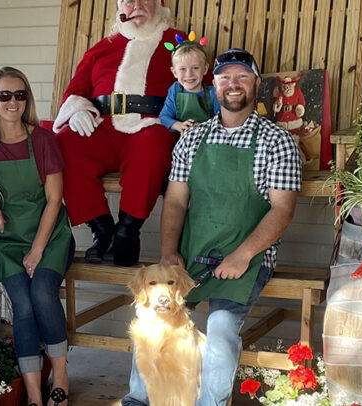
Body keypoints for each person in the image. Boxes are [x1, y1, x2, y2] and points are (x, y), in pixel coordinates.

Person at [122, 48, 302, 405]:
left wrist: (242, 255)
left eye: (242, 77)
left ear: (256, 84)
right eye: (225, 78)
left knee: (219, 331)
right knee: (155, 319)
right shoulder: (191, 139)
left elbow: (282, 211)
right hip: (192, 255)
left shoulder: (277, 141)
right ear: (214, 84)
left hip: (247, 259)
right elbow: (174, 200)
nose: (233, 84)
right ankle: (138, 401)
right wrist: (170, 251)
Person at [0, 66, 73, 406]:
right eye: (4, 95)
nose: (13, 102)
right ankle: (35, 395)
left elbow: (55, 200)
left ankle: (62, 377)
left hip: (49, 237)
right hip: (5, 242)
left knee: (41, 294)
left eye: (20, 95)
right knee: (22, 305)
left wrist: (37, 252)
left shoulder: (42, 139)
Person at [52, 0, 183, 267]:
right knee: (64, 143)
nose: (136, 5)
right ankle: (102, 230)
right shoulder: (101, 48)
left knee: (153, 145)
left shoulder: (176, 43)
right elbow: (75, 90)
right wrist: (78, 111)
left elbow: (199, 84)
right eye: (128, 0)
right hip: (103, 127)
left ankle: (126, 232)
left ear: (159, 4)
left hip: (151, 124)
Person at [159, 39, 220, 134]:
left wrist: (203, 127)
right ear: (174, 72)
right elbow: (164, 117)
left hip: (207, 138)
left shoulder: (213, 92)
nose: (189, 74)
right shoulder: (175, 90)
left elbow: (221, 120)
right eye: (182, 69)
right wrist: (179, 125)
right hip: (182, 139)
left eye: (195, 68)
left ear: (205, 69)